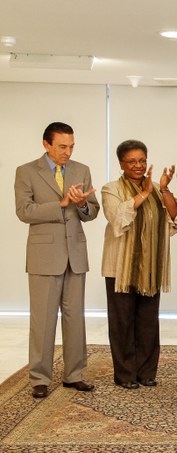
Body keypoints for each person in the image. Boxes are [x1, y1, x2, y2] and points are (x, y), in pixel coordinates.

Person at [14, 122, 100, 398]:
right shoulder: (26, 172)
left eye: (71, 146)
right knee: (43, 320)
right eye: (62, 146)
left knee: (75, 318)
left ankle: (75, 375)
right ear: (46, 144)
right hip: (44, 256)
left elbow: (92, 211)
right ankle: (39, 378)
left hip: (75, 254)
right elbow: (24, 211)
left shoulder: (81, 170)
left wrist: (81, 204)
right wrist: (60, 204)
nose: (68, 151)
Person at [101, 140, 177, 389]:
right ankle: (125, 375)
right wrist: (144, 193)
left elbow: (174, 217)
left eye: (142, 160)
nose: (138, 165)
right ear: (121, 164)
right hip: (120, 268)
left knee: (148, 321)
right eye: (132, 161)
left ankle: (147, 372)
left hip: (150, 268)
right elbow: (118, 218)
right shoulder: (111, 189)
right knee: (122, 322)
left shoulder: (159, 188)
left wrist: (164, 190)